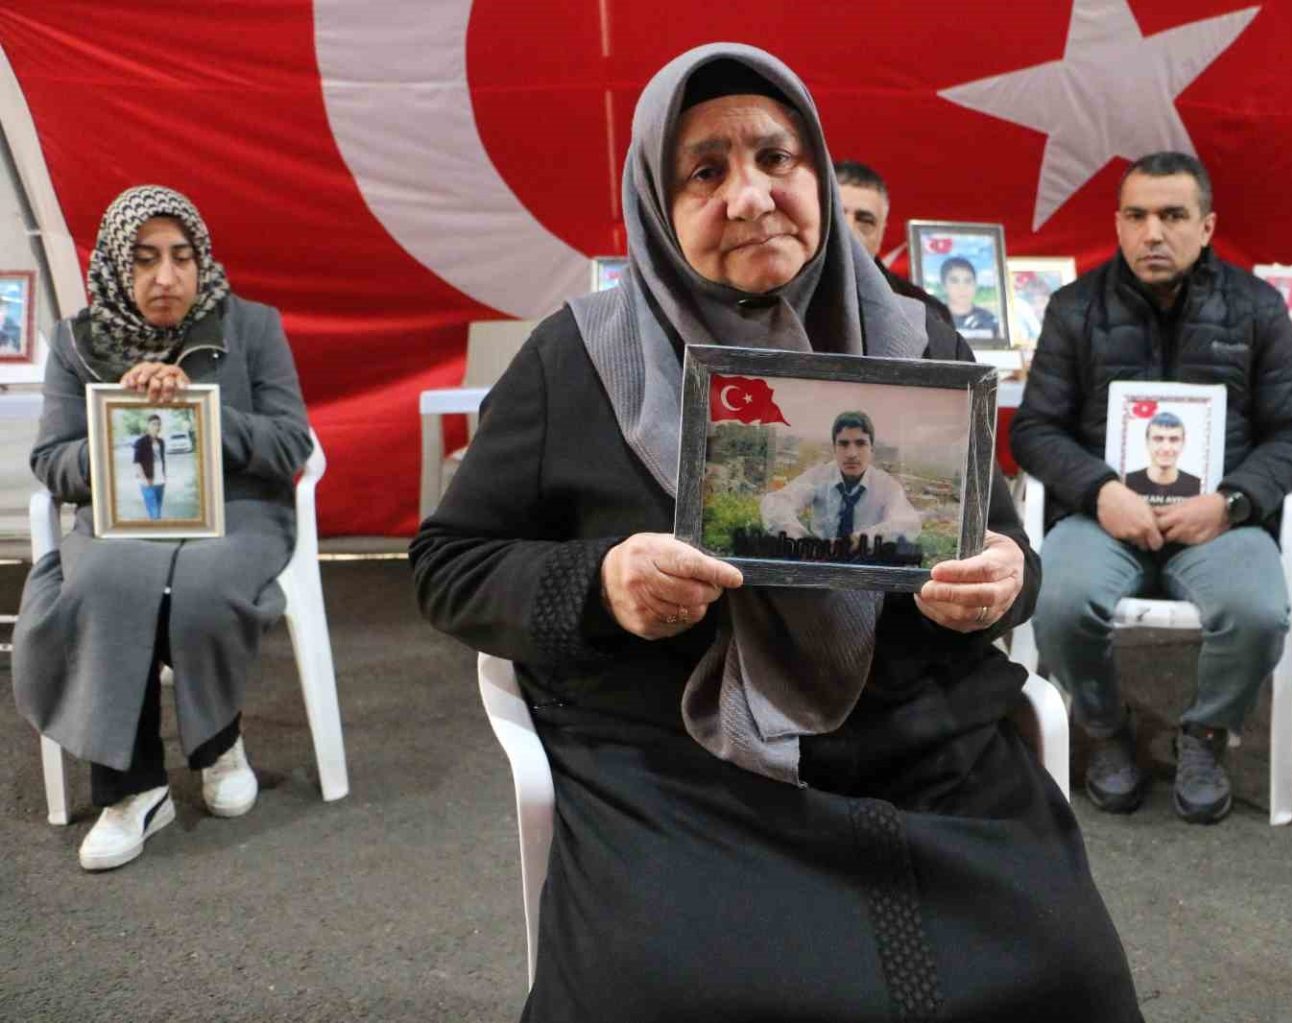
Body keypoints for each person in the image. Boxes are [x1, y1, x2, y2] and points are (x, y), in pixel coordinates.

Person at [413, 43, 1142, 1021]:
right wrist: (604, 582)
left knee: (1066, 970)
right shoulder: (576, 360)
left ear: (818, 175)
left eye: (775, 158)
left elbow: (1002, 545)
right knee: (671, 990)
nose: (750, 196)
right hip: (679, 762)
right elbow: (448, 564)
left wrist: (1004, 578)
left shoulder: (915, 334)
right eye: (704, 173)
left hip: (921, 749)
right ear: (655, 205)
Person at [1011, 151, 1292, 825]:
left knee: (1259, 612)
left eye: (1173, 215)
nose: (1153, 232)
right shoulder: (1074, 308)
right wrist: (1099, 491)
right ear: (1118, 224)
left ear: (1206, 227)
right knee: (1057, 601)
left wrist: (1231, 502)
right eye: (1137, 215)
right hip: (1102, 517)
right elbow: (1035, 429)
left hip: (1218, 521)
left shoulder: (1257, 308)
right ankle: (1105, 727)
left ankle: (1206, 732)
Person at [12, 185, 313, 871]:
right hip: (122, 522)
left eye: (182, 257)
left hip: (236, 514)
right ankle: (134, 789)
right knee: (106, 584)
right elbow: (52, 461)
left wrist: (203, 414)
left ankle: (217, 743)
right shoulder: (77, 342)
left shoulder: (251, 327)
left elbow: (291, 442)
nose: (167, 277)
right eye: (145, 260)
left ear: (202, 260)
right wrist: (119, 423)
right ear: (116, 266)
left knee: (205, 586)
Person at [758, 410, 923, 545]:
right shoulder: (819, 477)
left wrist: (861, 540)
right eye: (843, 444)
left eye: (860, 444)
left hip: (866, 566)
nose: (851, 453)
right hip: (819, 562)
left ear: (871, 449)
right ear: (834, 448)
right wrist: (801, 539)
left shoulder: (886, 486)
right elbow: (776, 503)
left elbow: (907, 524)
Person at [832, 160, 953, 325]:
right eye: (837, 214)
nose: (848, 230)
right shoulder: (793, 297)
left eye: (865, 220)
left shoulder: (927, 315)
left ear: (881, 233)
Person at [1124, 411, 1202, 505]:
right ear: (1147, 442)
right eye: (1158, 439)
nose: (1166, 448)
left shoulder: (1199, 488)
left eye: (1174, 439)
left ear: (1183, 443)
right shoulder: (1125, 484)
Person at [939, 255, 1000, 339]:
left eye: (968, 281)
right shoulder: (934, 320)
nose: (962, 288)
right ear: (944, 286)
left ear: (975, 285)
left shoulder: (989, 319)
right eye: (954, 281)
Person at [132, 414, 168, 520]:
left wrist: (164, 476)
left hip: (160, 480)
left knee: (158, 508)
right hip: (148, 481)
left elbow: (161, 460)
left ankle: (156, 527)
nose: (156, 427)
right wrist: (144, 479)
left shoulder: (161, 442)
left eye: (158, 424)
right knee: (154, 512)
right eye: (153, 424)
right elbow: (137, 462)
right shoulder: (140, 442)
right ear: (148, 426)